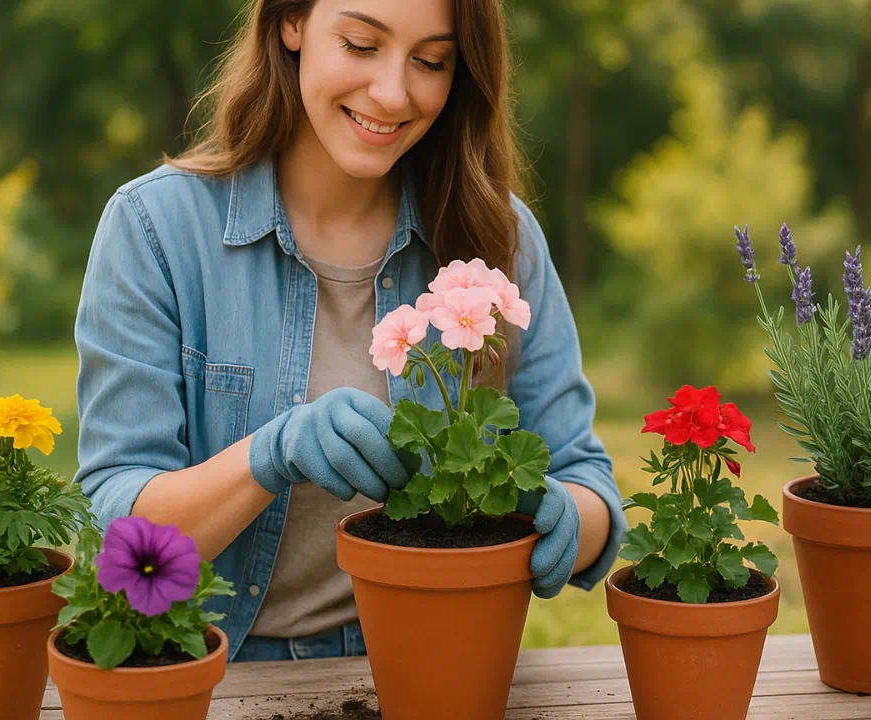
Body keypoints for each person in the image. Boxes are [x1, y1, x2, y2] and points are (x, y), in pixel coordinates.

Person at [72, 0, 624, 662]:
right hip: (216, 675)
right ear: (291, 22)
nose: (392, 94)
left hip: (438, 667)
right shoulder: (156, 229)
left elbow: (588, 484)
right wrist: (268, 455)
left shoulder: (497, 238)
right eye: (362, 44)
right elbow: (110, 527)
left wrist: (566, 517)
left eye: (432, 61)